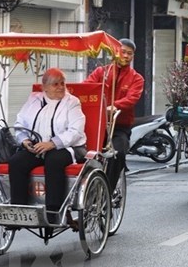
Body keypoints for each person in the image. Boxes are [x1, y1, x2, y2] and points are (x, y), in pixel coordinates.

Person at [9, 68, 87, 224]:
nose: (60, 87)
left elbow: (75, 131)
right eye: (55, 84)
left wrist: (52, 143)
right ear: (44, 87)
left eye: (62, 83)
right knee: (16, 161)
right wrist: (24, 140)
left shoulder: (72, 102)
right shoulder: (34, 99)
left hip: (68, 147)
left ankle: (53, 211)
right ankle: (19, 210)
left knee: (53, 160)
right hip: (38, 147)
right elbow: (20, 123)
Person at [84, 38, 144, 191]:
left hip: (120, 125)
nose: (125, 56)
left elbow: (132, 98)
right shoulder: (101, 72)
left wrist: (115, 106)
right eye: (122, 52)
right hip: (98, 123)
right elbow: (87, 88)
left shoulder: (136, 78)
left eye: (129, 54)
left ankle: (107, 192)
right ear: (115, 51)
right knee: (82, 152)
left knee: (119, 153)